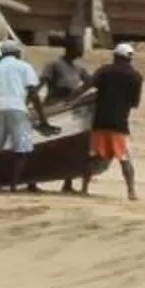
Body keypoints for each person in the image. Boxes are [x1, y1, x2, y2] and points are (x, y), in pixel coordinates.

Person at [0, 38, 40, 193]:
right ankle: (13, 184)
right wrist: (43, 117)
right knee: (21, 149)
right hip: (18, 109)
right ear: (17, 52)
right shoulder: (25, 66)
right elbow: (33, 92)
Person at [34, 38, 94, 194]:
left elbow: (91, 83)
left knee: (70, 147)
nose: (81, 51)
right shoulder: (53, 65)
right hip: (53, 109)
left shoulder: (79, 69)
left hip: (70, 110)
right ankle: (32, 181)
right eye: (78, 48)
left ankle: (68, 182)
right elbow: (39, 85)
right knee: (43, 146)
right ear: (69, 49)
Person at [89, 41, 144, 199]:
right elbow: (135, 104)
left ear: (115, 56)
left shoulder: (104, 71)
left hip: (99, 121)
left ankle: (84, 187)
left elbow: (89, 85)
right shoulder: (136, 76)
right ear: (130, 59)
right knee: (124, 158)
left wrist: (69, 101)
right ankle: (131, 191)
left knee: (93, 156)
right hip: (119, 123)